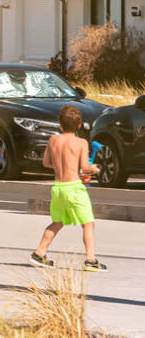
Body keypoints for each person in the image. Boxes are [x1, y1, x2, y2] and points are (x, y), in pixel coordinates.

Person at [32, 105, 105, 271]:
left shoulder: (53, 140)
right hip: (74, 188)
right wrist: (94, 169)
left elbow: (46, 163)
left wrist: (62, 167)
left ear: (60, 124)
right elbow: (85, 167)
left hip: (58, 188)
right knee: (88, 223)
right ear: (79, 125)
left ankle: (39, 253)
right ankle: (91, 260)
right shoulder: (81, 142)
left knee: (56, 222)